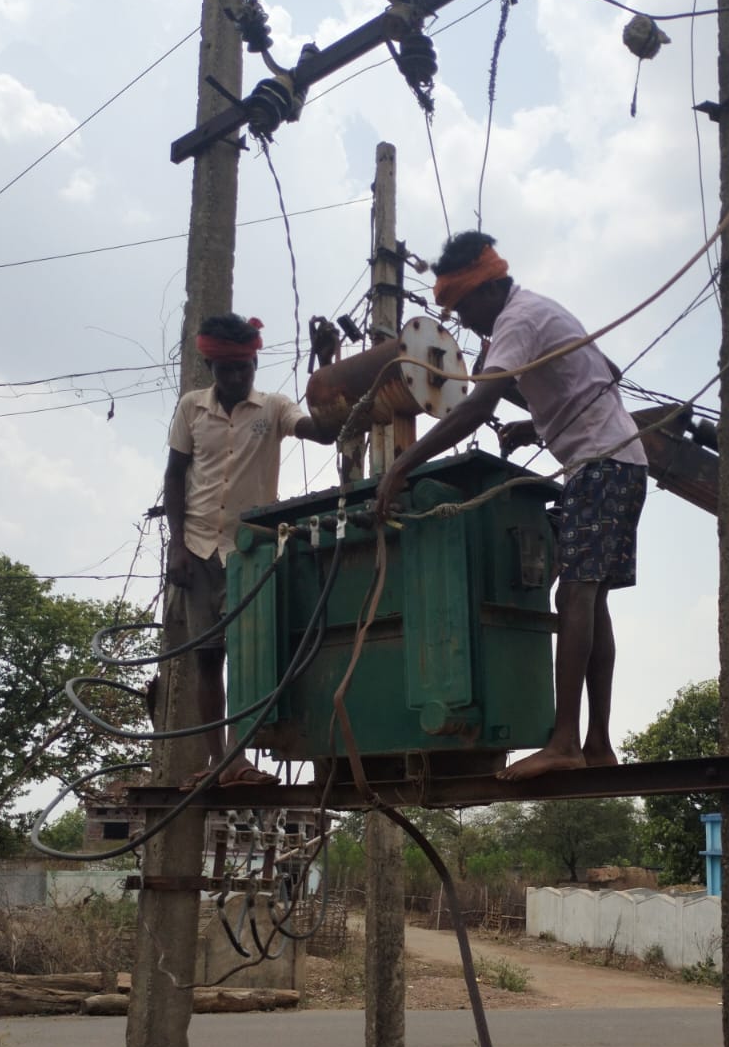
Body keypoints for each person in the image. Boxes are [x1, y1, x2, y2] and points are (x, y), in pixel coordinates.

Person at [375, 233, 648, 782]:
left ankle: (565, 741)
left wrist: (401, 467)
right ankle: (596, 743)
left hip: (600, 464)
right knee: (591, 601)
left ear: (491, 287)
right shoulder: (536, 311)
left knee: (575, 592)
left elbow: (476, 407)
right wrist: (537, 415)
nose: (465, 322)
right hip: (619, 461)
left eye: (464, 308)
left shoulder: (517, 321)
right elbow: (607, 372)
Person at [164, 312, 331, 785]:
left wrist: (324, 367)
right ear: (211, 368)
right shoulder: (191, 409)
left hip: (250, 551)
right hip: (197, 550)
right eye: (227, 370)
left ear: (255, 363)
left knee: (252, 653)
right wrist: (176, 545)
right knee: (208, 659)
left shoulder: (274, 408)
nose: (237, 378)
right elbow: (175, 477)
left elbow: (322, 431)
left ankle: (244, 754)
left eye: (245, 368)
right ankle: (222, 762)